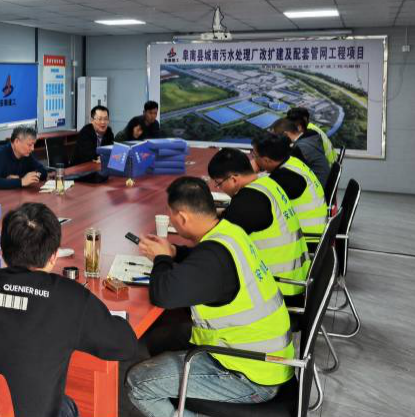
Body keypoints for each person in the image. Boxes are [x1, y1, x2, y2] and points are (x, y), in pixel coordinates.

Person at [0, 203, 138, 417]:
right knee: (66, 407)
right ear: (54, 256)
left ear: (2, 249)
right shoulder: (70, 297)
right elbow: (125, 346)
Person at [126, 177, 294, 417]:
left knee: (138, 382)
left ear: (182, 217)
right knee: (161, 340)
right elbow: (202, 259)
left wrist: (161, 259)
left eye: (171, 215)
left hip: (249, 376)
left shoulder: (212, 259)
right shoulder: (229, 231)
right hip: (266, 358)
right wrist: (174, 252)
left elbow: (163, 295)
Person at [207, 148, 309, 297]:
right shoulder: (267, 184)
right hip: (295, 276)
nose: (220, 189)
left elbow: (217, 241)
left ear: (233, 179)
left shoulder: (247, 202)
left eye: (219, 184)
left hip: (277, 288)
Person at [252, 133, 328, 238]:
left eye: (254, 156)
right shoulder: (293, 162)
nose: (254, 159)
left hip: (307, 238)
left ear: (267, 160)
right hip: (314, 231)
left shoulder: (286, 176)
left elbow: (257, 199)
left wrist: (249, 173)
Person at [0, 125, 50, 190]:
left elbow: (43, 171)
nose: (32, 149)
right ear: (16, 141)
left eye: (33, 144)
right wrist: (21, 181)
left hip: (13, 193)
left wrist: (20, 178)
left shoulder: (26, 155)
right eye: (29, 145)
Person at [271, 117, 331, 187]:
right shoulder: (309, 138)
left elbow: (286, 172)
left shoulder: (301, 148)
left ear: (285, 134)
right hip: (322, 181)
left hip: (317, 187)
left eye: (276, 137)